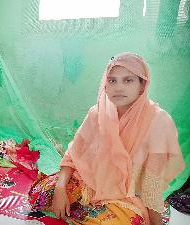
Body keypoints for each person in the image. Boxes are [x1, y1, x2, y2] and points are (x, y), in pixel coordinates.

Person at [29, 52, 184, 225]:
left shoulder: (157, 121)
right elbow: (73, 154)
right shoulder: (97, 113)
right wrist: (59, 188)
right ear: (106, 84)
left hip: (125, 196)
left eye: (128, 80)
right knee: (42, 194)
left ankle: (92, 213)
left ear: (142, 85)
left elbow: (151, 182)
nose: (118, 87)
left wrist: (156, 223)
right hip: (88, 181)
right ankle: (85, 209)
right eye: (112, 80)